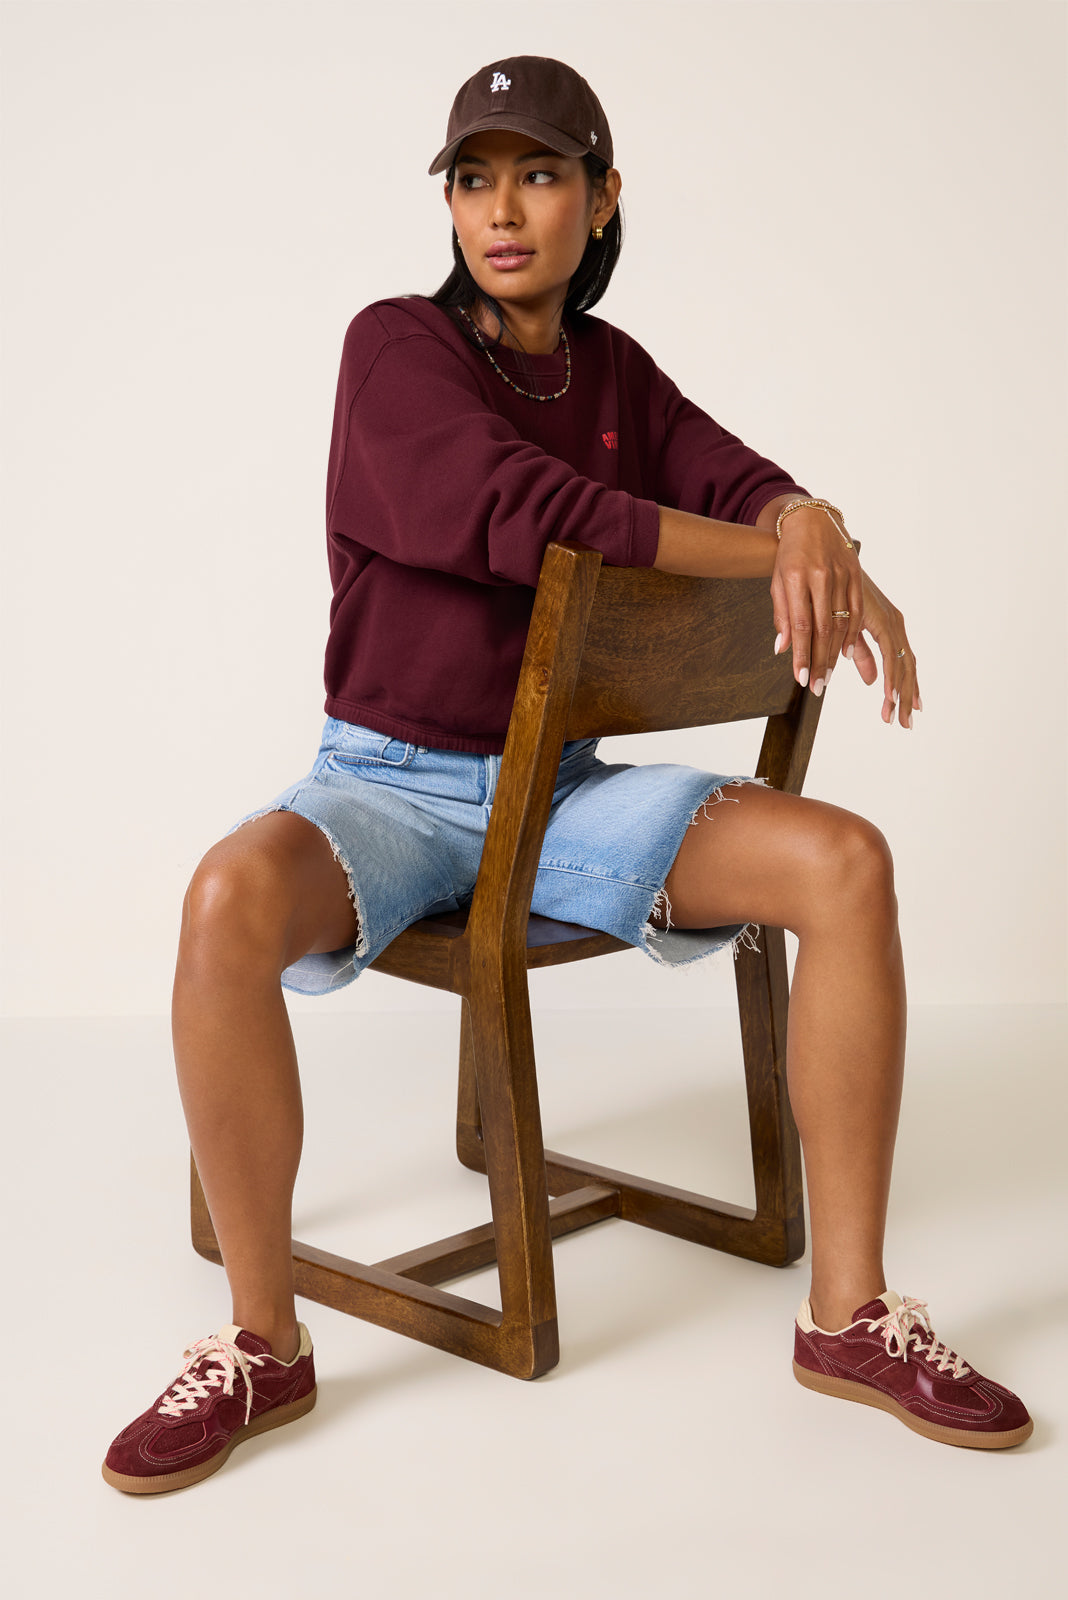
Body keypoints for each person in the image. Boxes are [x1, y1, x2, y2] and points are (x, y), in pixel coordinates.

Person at [102, 56, 1031, 1494]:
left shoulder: (614, 373)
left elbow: (735, 477)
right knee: (226, 897)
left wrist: (810, 518)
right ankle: (262, 1343)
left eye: (539, 174)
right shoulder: (394, 345)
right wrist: (800, 555)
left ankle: (849, 1319)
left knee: (846, 863)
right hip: (391, 787)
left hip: (560, 792)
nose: (502, 209)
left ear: (601, 200)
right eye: (474, 179)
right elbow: (525, 515)